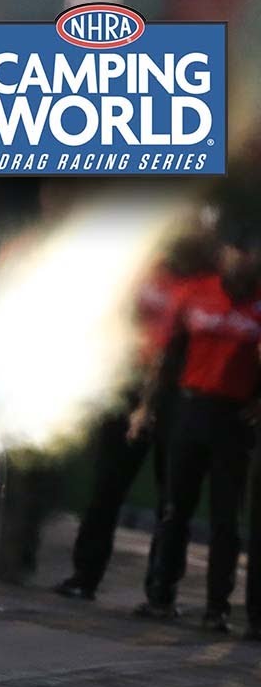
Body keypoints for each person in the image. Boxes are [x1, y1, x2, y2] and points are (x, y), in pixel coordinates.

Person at [54, 222, 218, 600]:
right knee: (107, 485)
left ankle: (160, 592)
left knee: (173, 498)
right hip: (128, 385)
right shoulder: (146, 269)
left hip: (177, 396)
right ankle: (84, 575)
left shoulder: (209, 285)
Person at [133, 230, 261, 632]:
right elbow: (169, 355)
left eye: (250, 255)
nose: (241, 261)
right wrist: (147, 407)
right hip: (189, 409)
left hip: (234, 420)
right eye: (235, 253)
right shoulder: (197, 293)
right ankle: (159, 596)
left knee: (226, 518)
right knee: (174, 509)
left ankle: (216, 608)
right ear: (224, 256)